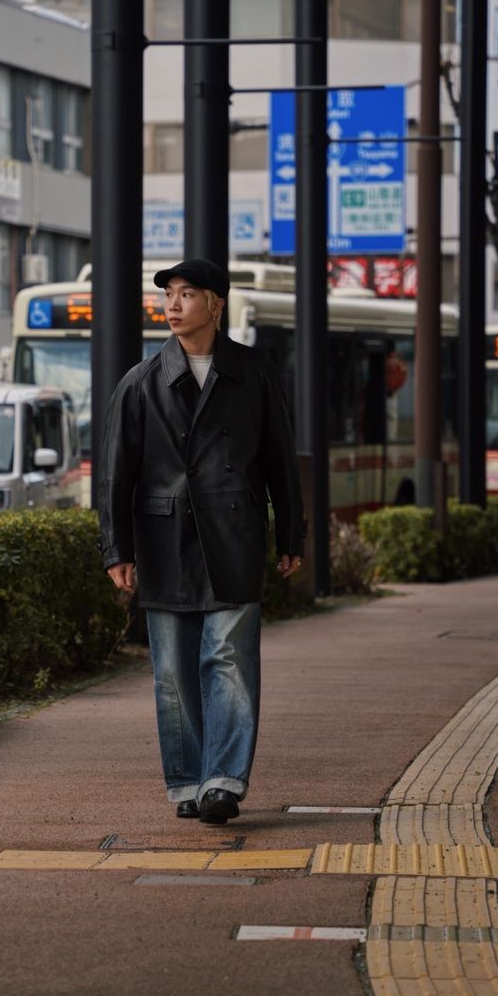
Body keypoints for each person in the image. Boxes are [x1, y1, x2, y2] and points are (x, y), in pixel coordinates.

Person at [97, 258, 305, 825]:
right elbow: (116, 472)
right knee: (173, 672)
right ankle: (188, 780)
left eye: (188, 294)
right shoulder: (141, 382)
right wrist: (116, 549)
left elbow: (281, 461)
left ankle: (224, 780)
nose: (173, 303)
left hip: (233, 533)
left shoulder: (255, 373)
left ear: (216, 304)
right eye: (168, 294)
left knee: (230, 658)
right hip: (164, 539)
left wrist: (291, 532)